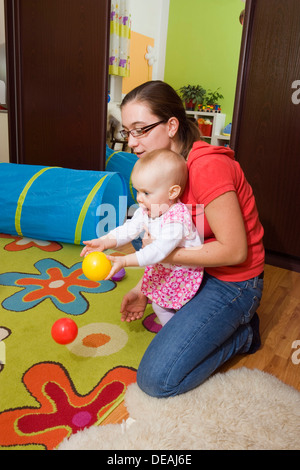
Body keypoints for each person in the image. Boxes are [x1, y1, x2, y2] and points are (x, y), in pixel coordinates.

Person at [119, 80, 265, 398]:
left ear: (172, 125)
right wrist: (144, 288)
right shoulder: (165, 171)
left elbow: (235, 250)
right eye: (127, 132)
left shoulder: (207, 167)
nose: (132, 141)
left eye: (140, 129)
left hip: (234, 283)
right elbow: (177, 240)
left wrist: (162, 255)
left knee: (157, 380)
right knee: (146, 233)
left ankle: (244, 335)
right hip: (196, 271)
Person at [81, 149, 203, 327]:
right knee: (160, 305)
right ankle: (174, 328)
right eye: (137, 191)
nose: (139, 198)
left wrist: (124, 261)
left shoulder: (177, 220)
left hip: (183, 274)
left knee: (168, 307)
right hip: (165, 267)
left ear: (172, 192)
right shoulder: (147, 209)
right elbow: (129, 228)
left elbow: (158, 251)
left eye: (146, 193)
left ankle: (177, 331)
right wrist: (105, 241)